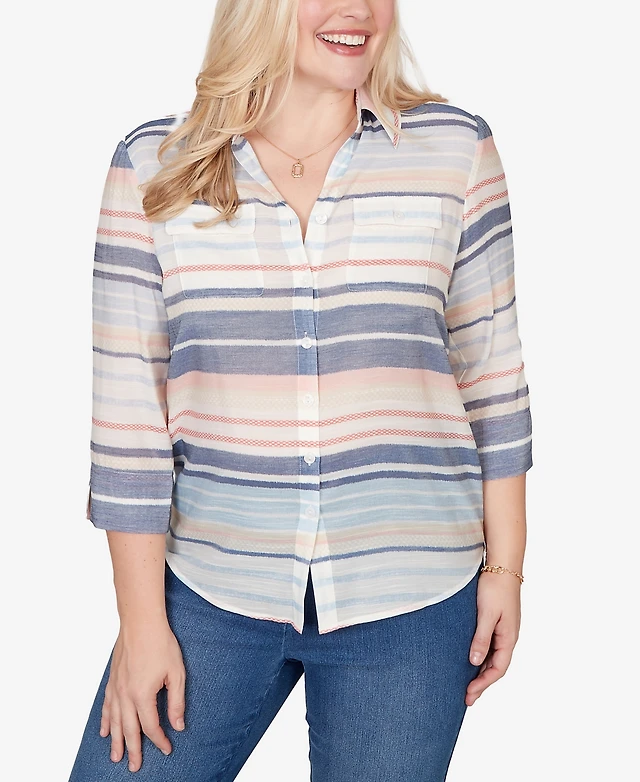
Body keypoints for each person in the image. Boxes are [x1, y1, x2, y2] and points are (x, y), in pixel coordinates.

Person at [69, 0, 533, 779]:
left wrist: (506, 570)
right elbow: (128, 421)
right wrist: (141, 623)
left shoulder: (455, 150)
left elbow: (493, 377)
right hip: (210, 592)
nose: (358, 10)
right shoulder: (153, 166)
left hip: (413, 596)